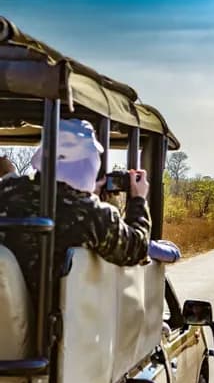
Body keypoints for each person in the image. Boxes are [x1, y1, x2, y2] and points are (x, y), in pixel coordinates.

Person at [0, 119, 151, 299]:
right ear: (88, 162)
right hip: (57, 322)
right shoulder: (93, 215)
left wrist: (87, 194)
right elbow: (136, 249)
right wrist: (139, 200)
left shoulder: (6, 192)